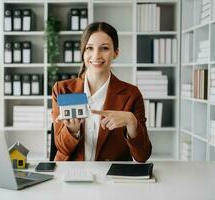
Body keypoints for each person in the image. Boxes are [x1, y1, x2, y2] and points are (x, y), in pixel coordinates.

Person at [51, 22, 151, 162]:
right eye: (89, 48)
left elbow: (142, 156)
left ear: (116, 53)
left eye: (104, 48)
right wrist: (72, 131)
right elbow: (61, 149)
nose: (96, 55)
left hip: (111, 177)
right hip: (71, 175)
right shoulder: (62, 90)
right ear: (83, 52)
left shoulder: (131, 95)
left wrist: (131, 121)